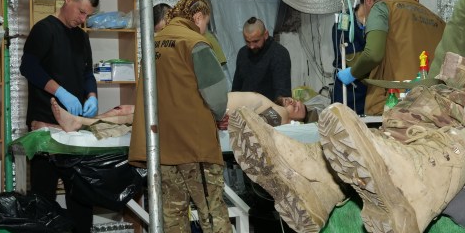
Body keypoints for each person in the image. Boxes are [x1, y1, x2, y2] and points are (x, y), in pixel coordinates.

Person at [128, 0, 253, 233]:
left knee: (172, 213)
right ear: (198, 17)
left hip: (162, 146)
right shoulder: (194, 43)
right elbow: (216, 95)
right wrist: (219, 112)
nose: (205, 28)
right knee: (211, 210)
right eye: (205, 23)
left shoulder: (153, 43)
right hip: (194, 144)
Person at [20, 0, 100, 233]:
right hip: (46, 127)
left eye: (87, 15)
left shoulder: (81, 37)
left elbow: (88, 73)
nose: (82, 19)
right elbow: (28, 66)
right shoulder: (44, 30)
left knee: (80, 193)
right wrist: (61, 92)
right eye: (81, 12)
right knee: (43, 195)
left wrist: (91, 96)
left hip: (75, 128)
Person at [337, 0, 445, 114]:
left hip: (392, 102)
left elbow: (373, 54)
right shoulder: (440, 22)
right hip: (433, 105)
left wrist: (352, 73)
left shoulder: (383, 8)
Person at [48, 91, 312, 134]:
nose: (297, 103)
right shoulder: (272, 103)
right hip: (203, 104)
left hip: (204, 112)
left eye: (303, 110)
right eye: (298, 101)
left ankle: (80, 122)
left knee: (138, 114)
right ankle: (81, 121)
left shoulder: (283, 117)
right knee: (131, 110)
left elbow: (256, 125)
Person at [332, 0, 391, 111]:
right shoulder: (344, 23)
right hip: (350, 92)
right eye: (385, 3)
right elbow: (355, 60)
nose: (388, 8)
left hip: (374, 91)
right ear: (369, 1)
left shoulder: (383, 24)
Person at [231, 17, 291, 102]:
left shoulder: (279, 54)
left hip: (269, 111)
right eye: (247, 41)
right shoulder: (242, 53)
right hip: (245, 110)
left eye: (255, 41)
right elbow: (236, 88)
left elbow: (282, 94)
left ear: (265, 35)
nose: (251, 46)